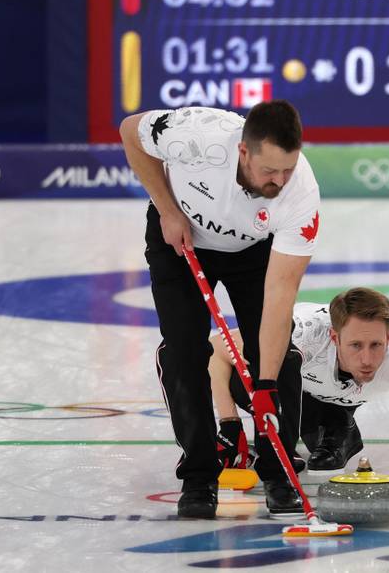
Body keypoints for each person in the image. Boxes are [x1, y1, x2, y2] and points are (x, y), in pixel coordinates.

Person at [120, 101, 320, 519]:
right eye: (269, 171)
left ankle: (277, 470)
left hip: (252, 253)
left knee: (278, 359)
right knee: (185, 353)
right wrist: (167, 209)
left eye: (288, 169)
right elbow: (129, 132)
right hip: (180, 239)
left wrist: (263, 383)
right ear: (243, 152)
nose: (280, 181)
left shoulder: (300, 194)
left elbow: (281, 297)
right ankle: (199, 475)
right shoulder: (197, 136)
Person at [208, 287, 389, 493]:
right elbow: (217, 348)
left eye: (376, 345)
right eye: (355, 345)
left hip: (339, 398)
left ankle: (339, 424)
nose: (367, 359)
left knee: (321, 451)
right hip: (298, 391)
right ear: (334, 336)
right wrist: (230, 425)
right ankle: (309, 431)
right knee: (246, 379)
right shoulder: (302, 334)